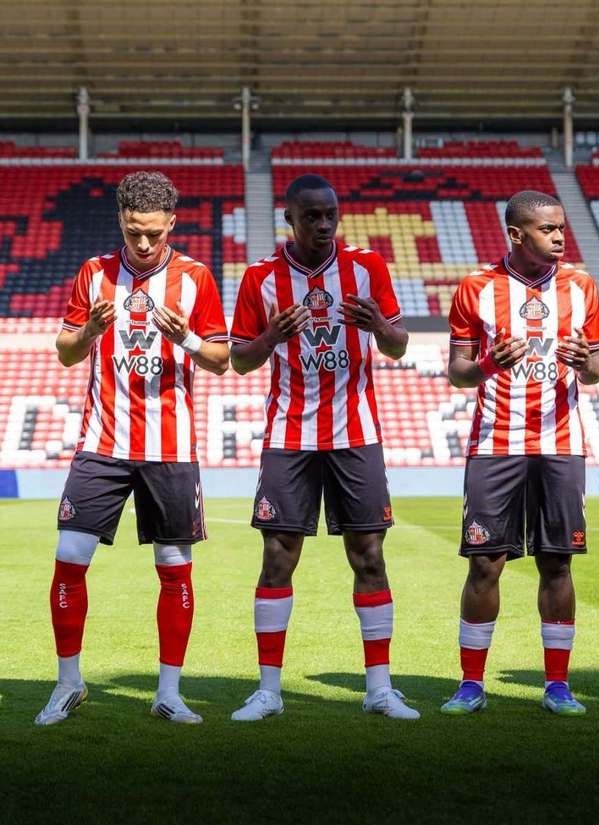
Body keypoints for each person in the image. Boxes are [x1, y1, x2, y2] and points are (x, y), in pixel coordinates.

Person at [35, 171, 229, 726]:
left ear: (172, 223)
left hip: (171, 448)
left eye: (154, 233)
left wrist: (184, 337)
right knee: (70, 558)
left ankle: (168, 693)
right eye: (133, 232)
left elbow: (222, 360)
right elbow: (66, 352)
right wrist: (90, 331)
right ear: (120, 220)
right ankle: (69, 684)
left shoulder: (195, 277)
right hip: (102, 442)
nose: (143, 243)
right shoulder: (94, 273)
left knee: (174, 567)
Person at [228, 174, 419, 721]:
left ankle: (379, 688)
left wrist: (378, 324)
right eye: (311, 216)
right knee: (277, 556)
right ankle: (269, 691)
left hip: (356, 434)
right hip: (289, 436)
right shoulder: (261, 278)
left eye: (330, 214)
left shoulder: (367, 267)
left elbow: (398, 346)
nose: (323, 224)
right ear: (289, 219)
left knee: (369, 555)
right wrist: (272, 337)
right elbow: (239, 359)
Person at [441, 189, 599, 716]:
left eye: (561, 228)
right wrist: (489, 363)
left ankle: (557, 685)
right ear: (516, 234)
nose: (559, 237)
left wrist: (584, 363)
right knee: (484, 565)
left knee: (557, 563)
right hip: (496, 445)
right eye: (547, 229)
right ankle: (471, 684)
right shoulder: (476, 287)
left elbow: (597, 369)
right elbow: (458, 372)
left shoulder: (581, 286)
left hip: (561, 444)